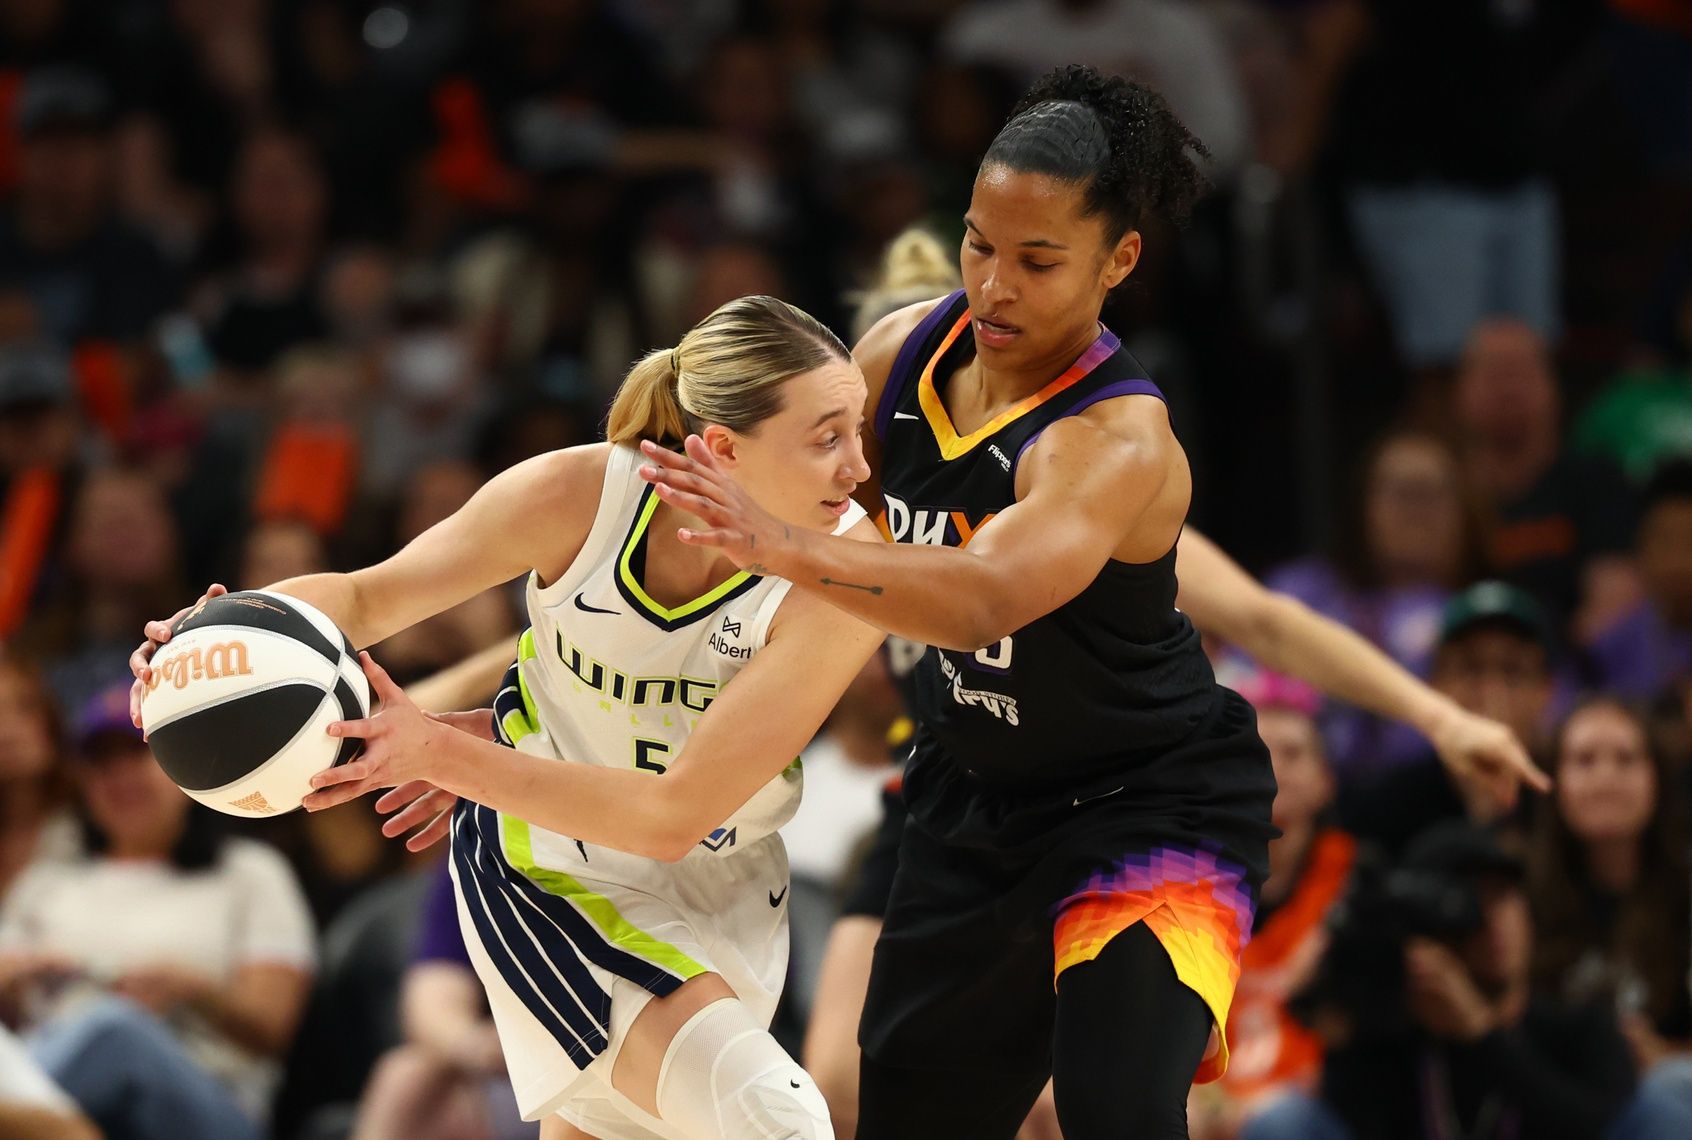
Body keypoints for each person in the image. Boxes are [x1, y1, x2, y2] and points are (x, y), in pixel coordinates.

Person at [639, 66, 1545, 1139]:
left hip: (1145, 800)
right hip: (968, 799)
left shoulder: (1115, 445)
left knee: (1117, 1110)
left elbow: (983, 599)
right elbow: (833, 537)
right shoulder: (894, 362)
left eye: (1036, 261)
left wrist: (1440, 718)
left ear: (1119, 261)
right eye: (978, 243)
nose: (994, 288)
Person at [132, 295, 890, 1140]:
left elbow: (677, 812)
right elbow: (365, 596)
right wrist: (212, 640)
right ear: (721, 451)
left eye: (857, 430)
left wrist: (437, 752)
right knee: (778, 1121)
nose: (858, 467)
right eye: (827, 438)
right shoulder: (580, 497)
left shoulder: (850, 571)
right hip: (552, 874)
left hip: (731, 891)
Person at [0, 681, 316, 1140]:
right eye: (102, 762)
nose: (120, 776)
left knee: (115, 1031)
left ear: (187, 758)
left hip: (211, 1097)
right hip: (60, 1078)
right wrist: (21, 973)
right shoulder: (49, 880)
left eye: (139, 754)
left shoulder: (249, 873)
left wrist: (189, 991)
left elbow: (273, 1027)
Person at [1241, 821, 1652, 1140]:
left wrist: (1482, 1033)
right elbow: (1346, 1101)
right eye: (1472, 901)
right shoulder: (1395, 1036)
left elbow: (1604, 1128)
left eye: (1505, 896)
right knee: (1283, 1119)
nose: (1493, 920)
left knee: (1664, 1098)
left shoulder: (1579, 1024)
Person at [1189, 674, 1355, 1140]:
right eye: (1259, 750)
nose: (1275, 767)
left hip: (1316, 1112)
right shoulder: (1186, 886)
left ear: (1327, 783)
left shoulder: (1360, 886)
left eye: (1294, 753)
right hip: (1209, 1106)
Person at [1529, 698, 1692, 1109]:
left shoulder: (1685, 893)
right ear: (1554, 781)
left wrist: (1663, 1056)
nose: (1606, 778)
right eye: (1584, 760)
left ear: (1658, 780)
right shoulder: (1517, 892)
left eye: (1626, 759)